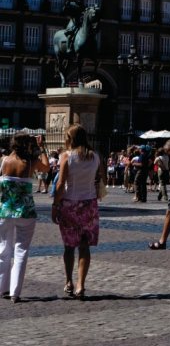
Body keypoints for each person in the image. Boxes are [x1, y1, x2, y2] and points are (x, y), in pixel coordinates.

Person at [51, 123, 104, 300]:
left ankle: (68, 281)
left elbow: (60, 184)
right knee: (84, 245)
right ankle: (81, 284)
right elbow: (98, 178)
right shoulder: (95, 157)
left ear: (70, 139)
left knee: (69, 246)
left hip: (70, 204)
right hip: (89, 204)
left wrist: (55, 205)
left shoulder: (66, 156)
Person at [0, 133, 49, 302]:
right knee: (21, 251)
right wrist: (40, 147)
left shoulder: (3, 161)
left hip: (5, 211)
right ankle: (15, 292)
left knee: (3, 250)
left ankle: (2, 288)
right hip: (25, 211)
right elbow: (46, 167)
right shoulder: (29, 163)